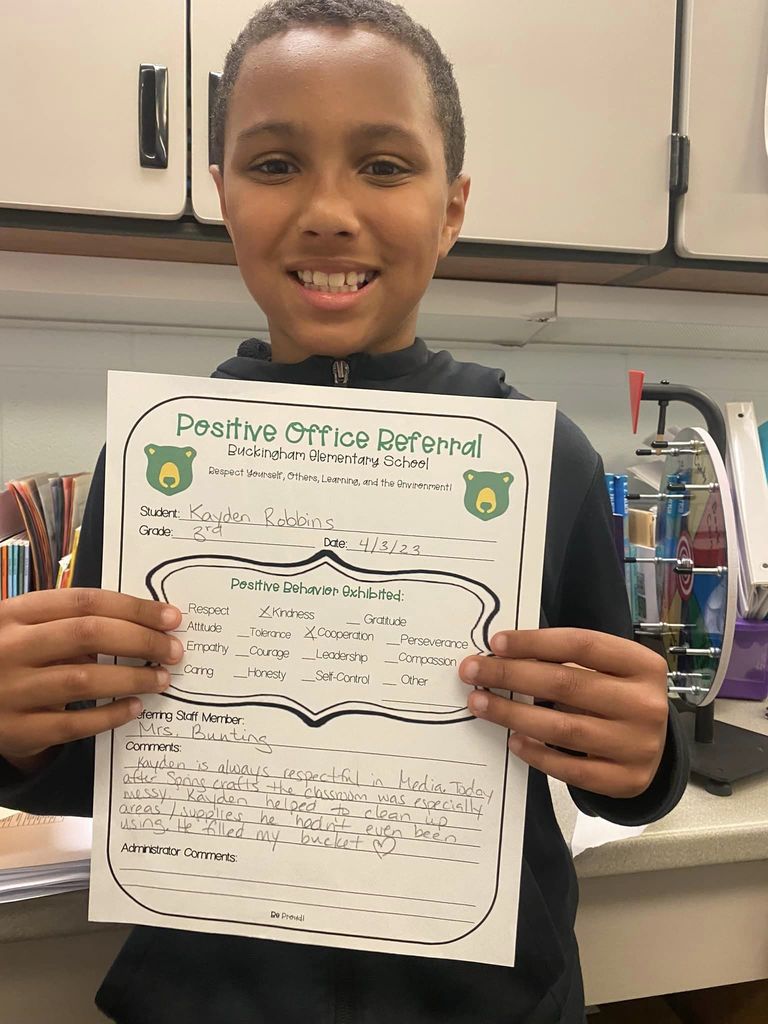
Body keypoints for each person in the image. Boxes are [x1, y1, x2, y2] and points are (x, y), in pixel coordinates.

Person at [0, 2, 687, 1021]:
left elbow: (605, 755)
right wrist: (20, 732)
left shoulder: (546, 459)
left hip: (484, 1001)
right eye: (276, 164)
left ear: (452, 208)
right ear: (224, 195)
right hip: (209, 1000)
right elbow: (109, 766)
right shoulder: (157, 459)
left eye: (384, 165)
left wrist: (647, 754)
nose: (328, 209)